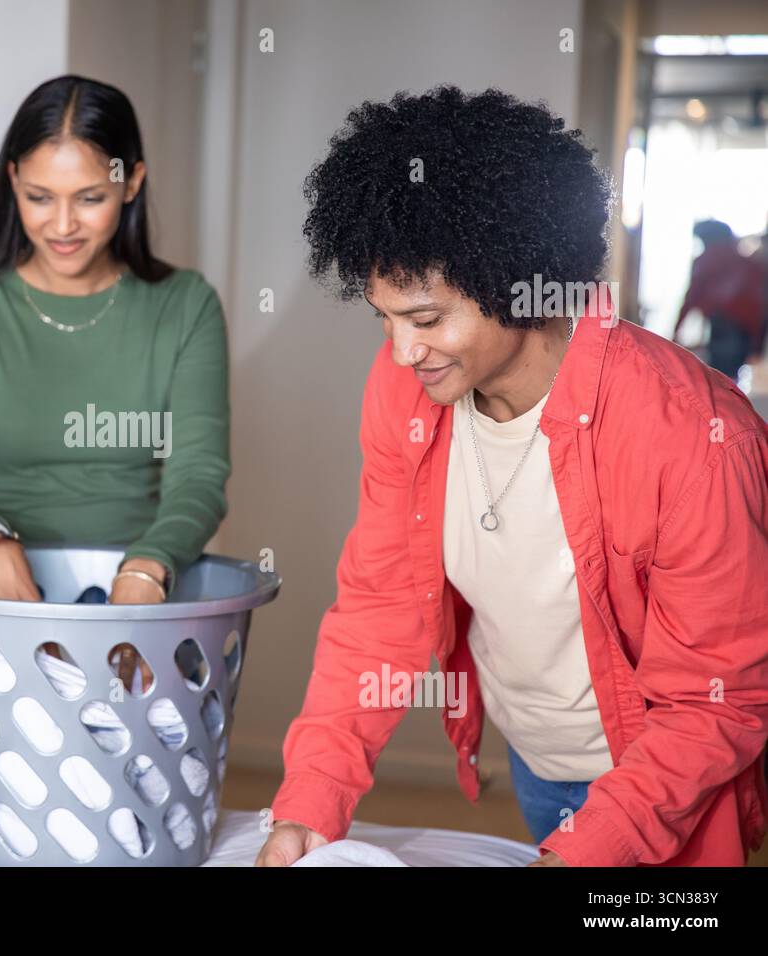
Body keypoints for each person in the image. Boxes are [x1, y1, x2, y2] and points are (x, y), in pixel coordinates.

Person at [256, 86, 768, 867]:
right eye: (382, 318)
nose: (400, 352)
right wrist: (311, 799)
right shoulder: (405, 392)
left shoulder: (698, 438)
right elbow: (380, 606)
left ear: (516, 278)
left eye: (426, 320)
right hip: (537, 764)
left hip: (671, 792)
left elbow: (713, 704)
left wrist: (582, 851)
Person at [0, 75, 230, 683]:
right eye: (41, 197)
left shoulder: (185, 306)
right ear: (12, 181)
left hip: (140, 607)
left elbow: (199, 475)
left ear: (132, 184)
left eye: (91, 197)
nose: (63, 225)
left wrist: (147, 571)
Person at [673, 219, 767, 379]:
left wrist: (675, 332)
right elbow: (760, 306)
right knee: (729, 380)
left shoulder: (707, 260)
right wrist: (757, 343)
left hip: (725, 327)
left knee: (720, 381)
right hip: (744, 330)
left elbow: (692, 296)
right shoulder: (750, 265)